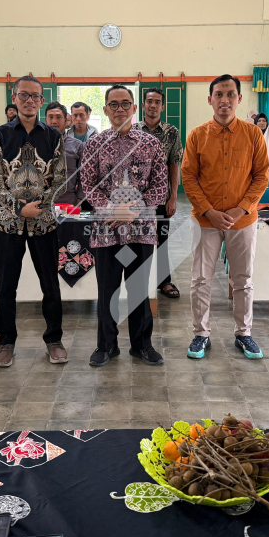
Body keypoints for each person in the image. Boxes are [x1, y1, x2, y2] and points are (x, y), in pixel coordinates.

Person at [182, 74, 269, 360]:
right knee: (200, 279)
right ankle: (201, 334)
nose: (225, 100)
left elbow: (261, 176)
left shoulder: (253, 134)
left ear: (239, 99)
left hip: (242, 220)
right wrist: (209, 211)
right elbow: (189, 177)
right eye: (219, 94)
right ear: (210, 99)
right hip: (205, 221)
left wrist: (241, 208)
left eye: (230, 94)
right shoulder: (197, 135)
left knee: (242, 279)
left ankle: (244, 334)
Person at [81, 85, 169, 367]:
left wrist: (133, 210)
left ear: (134, 108)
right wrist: (112, 210)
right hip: (106, 231)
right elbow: (87, 184)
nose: (120, 109)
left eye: (125, 103)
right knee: (107, 291)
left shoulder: (151, 144)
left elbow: (161, 186)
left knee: (139, 289)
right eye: (114, 104)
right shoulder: (94, 144)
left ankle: (142, 345)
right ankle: (106, 346)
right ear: (105, 109)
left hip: (140, 231)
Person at [0, 76, 67, 368]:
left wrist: (39, 206)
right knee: (6, 286)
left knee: (51, 285)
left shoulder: (54, 136)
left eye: (35, 96)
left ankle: (54, 340)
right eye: (24, 95)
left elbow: (60, 179)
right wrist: (19, 208)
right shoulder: (0, 135)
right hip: (8, 224)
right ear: (14, 97)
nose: (29, 100)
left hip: (44, 224)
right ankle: (6, 342)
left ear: (42, 100)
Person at [136, 87, 183, 299]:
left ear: (162, 107)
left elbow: (174, 165)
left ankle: (164, 281)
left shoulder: (171, 132)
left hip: (161, 198)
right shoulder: (133, 130)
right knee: (137, 240)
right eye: (149, 101)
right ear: (143, 105)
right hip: (136, 199)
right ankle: (139, 280)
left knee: (161, 240)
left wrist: (173, 197)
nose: (153, 105)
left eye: (157, 102)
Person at [44, 101, 84, 206]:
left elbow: (83, 174)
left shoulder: (77, 145)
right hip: (42, 203)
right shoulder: (36, 145)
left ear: (66, 121)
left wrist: (80, 199)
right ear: (45, 120)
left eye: (58, 117)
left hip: (69, 201)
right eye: (50, 117)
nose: (54, 121)